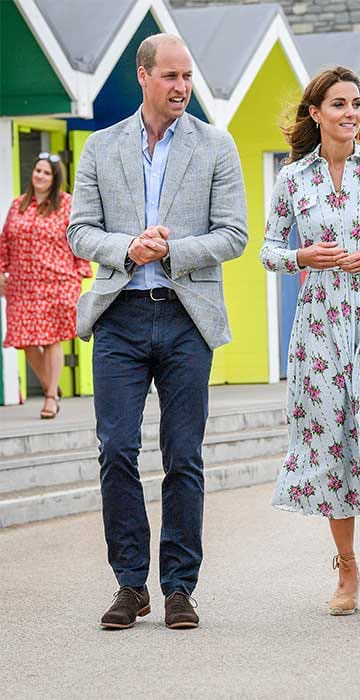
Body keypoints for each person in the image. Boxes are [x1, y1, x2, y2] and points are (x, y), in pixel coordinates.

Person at [68, 33, 247, 630]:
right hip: (119, 317)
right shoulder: (99, 147)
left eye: (187, 77)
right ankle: (129, 585)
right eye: (170, 76)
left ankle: (177, 588)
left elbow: (234, 234)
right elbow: (80, 231)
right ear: (143, 76)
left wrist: (170, 251)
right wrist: (127, 248)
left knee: (183, 455)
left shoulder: (216, 147)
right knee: (116, 449)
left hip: (184, 316)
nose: (181, 87)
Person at [260, 66, 360, 622]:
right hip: (319, 322)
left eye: (357, 105)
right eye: (339, 104)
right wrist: (303, 258)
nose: (351, 113)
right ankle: (345, 568)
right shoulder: (293, 180)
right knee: (332, 442)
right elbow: (269, 251)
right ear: (316, 113)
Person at [0, 154, 92, 418]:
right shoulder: (19, 204)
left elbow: (79, 239)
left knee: (51, 339)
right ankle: (50, 383)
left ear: (55, 178)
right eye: (37, 171)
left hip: (57, 281)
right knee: (26, 340)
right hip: (21, 284)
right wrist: (1, 272)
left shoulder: (66, 204)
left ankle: (50, 397)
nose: (40, 176)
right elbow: (5, 239)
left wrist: (79, 273)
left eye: (46, 173)